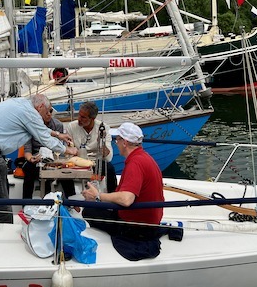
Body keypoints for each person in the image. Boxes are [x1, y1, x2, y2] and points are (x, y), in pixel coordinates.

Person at [0, 94, 79, 230]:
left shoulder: (21, 104)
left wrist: (58, 134)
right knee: (0, 201)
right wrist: (68, 150)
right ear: (40, 106)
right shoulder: (31, 113)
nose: (48, 115)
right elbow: (45, 139)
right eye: (48, 111)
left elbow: (39, 128)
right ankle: (5, 234)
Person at [81, 122, 164, 260]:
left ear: (124, 142)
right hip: (149, 221)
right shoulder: (145, 158)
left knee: (88, 211)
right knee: (98, 208)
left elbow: (126, 199)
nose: (116, 143)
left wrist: (98, 196)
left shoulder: (135, 163)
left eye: (117, 140)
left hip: (137, 227)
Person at [21, 107, 75, 199]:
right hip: (36, 157)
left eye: (50, 111)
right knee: (29, 169)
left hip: (54, 157)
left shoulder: (58, 125)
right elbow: (27, 151)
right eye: (46, 112)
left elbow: (59, 148)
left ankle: (73, 202)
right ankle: (26, 203)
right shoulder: (30, 126)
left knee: (66, 172)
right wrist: (31, 159)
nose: (49, 114)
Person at [64, 102, 117, 193]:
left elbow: (108, 158)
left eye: (83, 117)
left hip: (96, 163)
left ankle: (112, 196)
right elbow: (68, 152)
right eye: (79, 115)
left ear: (92, 119)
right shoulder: (71, 127)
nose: (79, 119)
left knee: (109, 168)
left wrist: (101, 142)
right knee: (64, 173)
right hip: (77, 162)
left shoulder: (103, 128)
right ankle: (71, 199)